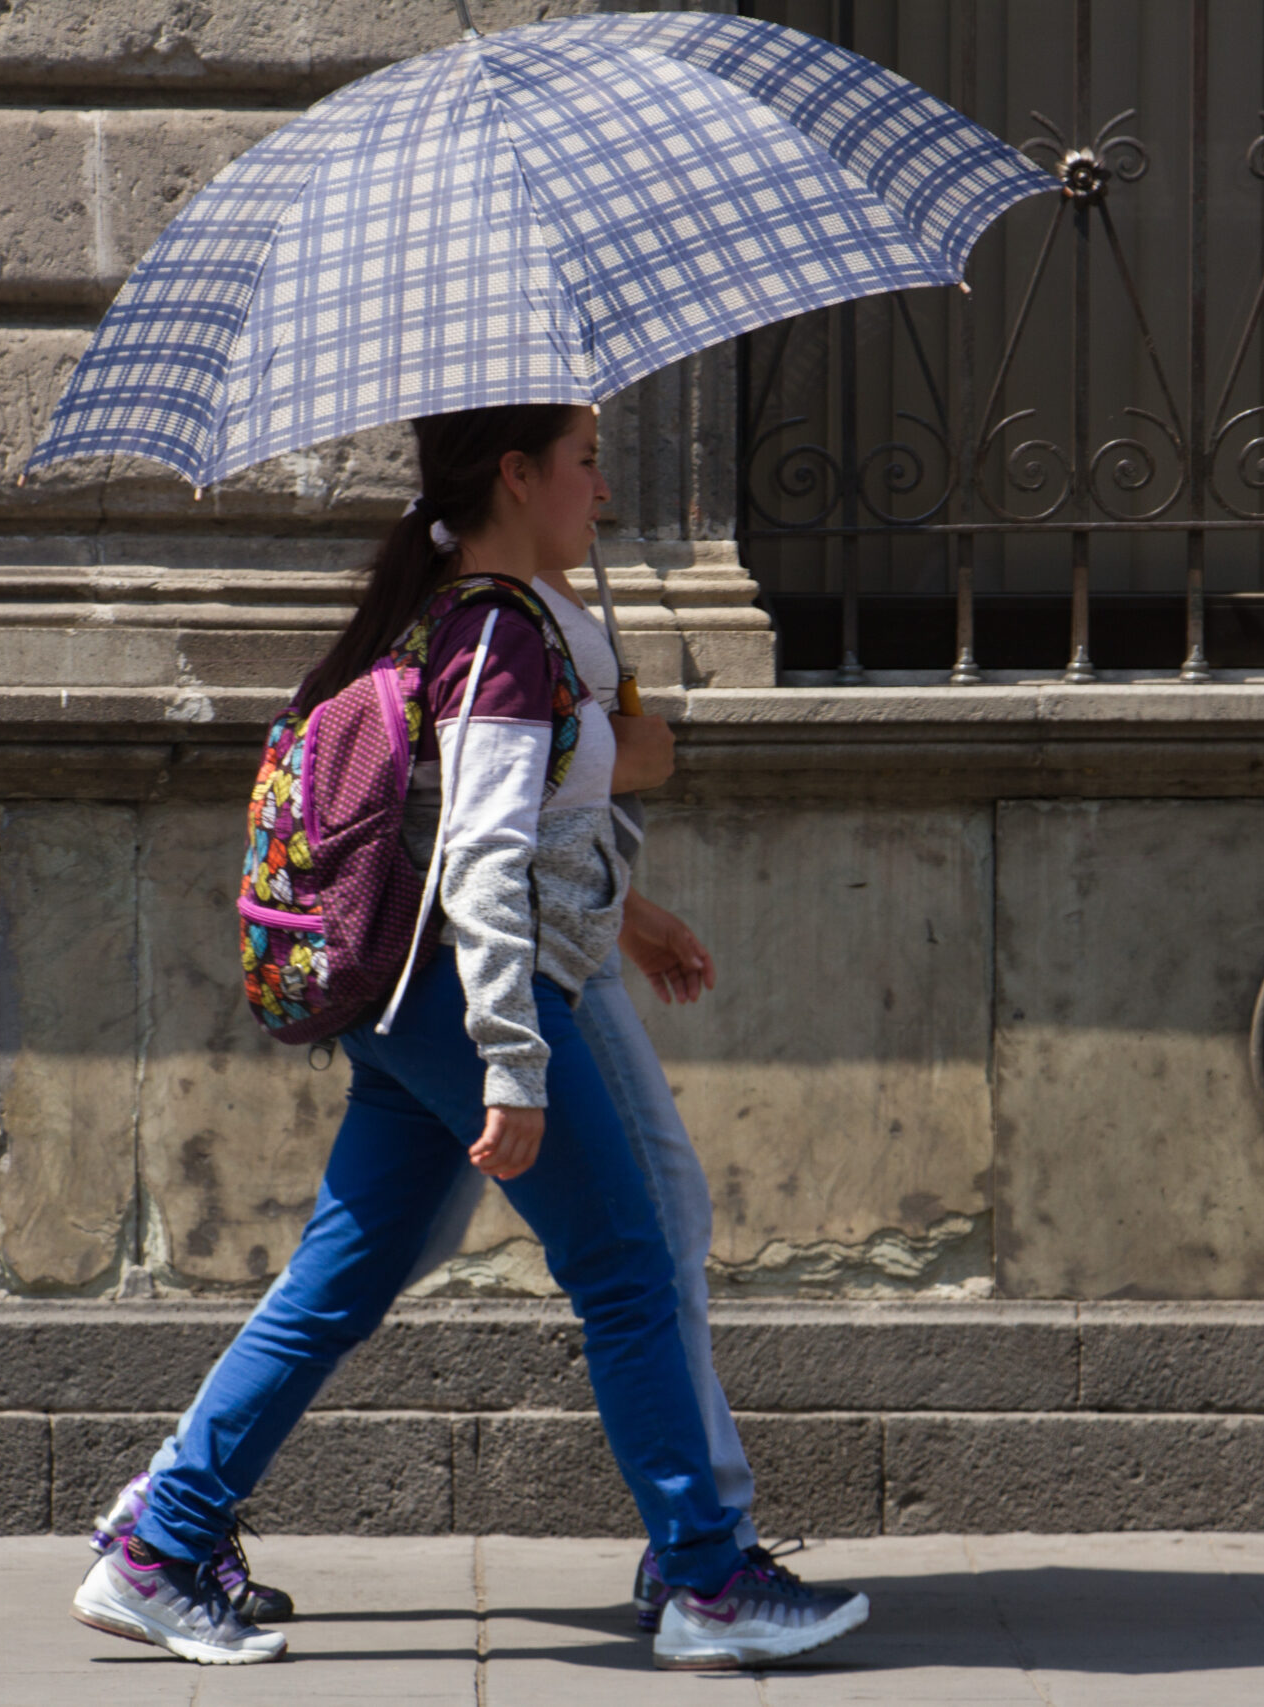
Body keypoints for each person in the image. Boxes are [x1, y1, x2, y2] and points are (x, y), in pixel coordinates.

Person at [70, 403, 868, 1671]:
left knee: (341, 1282)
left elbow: (491, 832)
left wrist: (632, 910)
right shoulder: (501, 635)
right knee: (628, 1266)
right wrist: (513, 1058)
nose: (601, 492)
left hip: (401, 1001)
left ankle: (163, 1544)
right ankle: (708, 1579)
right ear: (516, 474)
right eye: (587, 463)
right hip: (461, 996)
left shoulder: (452, 612)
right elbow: (485, 867)